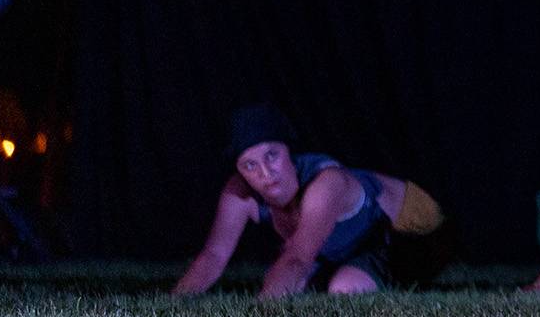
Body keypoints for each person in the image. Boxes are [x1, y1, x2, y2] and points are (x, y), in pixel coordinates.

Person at [172, 104, 447, 297]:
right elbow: (214, 255)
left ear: (289, 152)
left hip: (414, 235)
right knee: (291, 282)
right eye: (250, 165)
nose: (265, 173)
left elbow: (298, 258)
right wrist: (175, 304)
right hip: (345, 247)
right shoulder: (240, 191)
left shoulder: (325, 183)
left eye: (271, 155)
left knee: (343, 288)